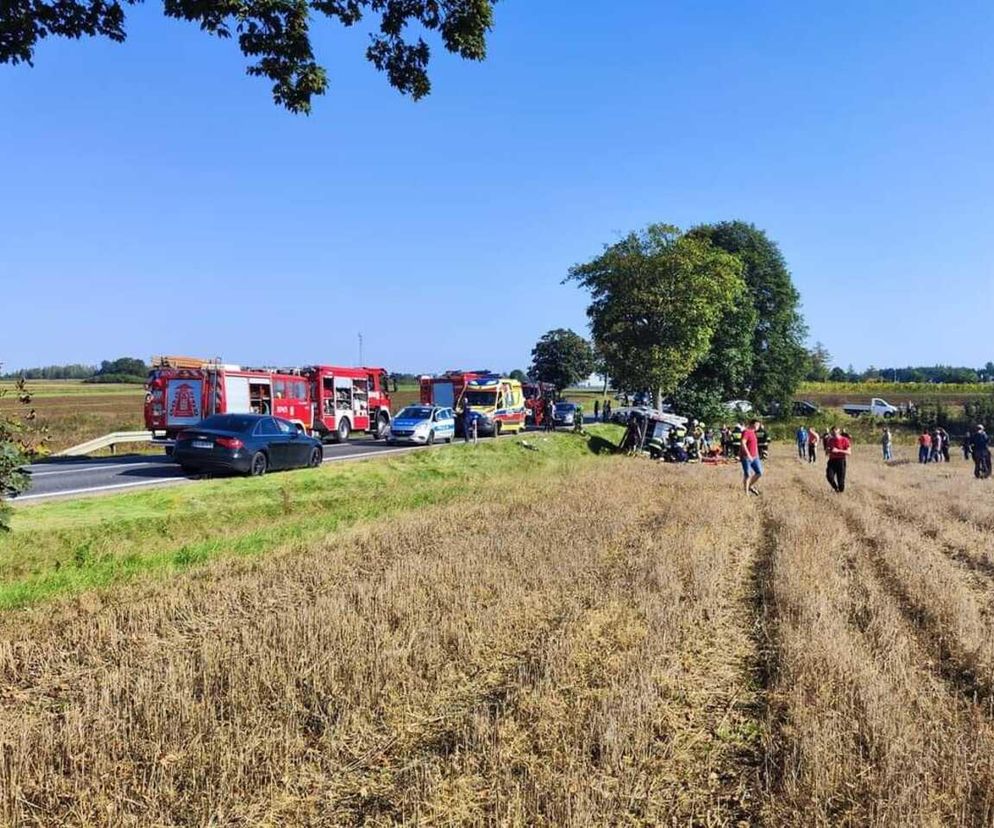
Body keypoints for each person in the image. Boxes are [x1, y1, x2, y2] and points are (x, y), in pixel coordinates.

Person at [825, 425, 852, 493]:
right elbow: (827, 451)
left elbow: (849, 452)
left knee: (841, 481)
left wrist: (838, 450)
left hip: (841, 461)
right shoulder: (830, 440)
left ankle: (840, 492)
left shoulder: (844, 440)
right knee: (829, 476)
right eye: (833, 432)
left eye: (835, 431)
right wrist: (827, 451)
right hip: (832, 460)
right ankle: (835, 488)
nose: (834, 433)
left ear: (838, 431)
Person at [740, 418, 763, 496]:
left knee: (759, 472)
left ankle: (750, 486)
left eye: (759, 425)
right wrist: (748, 455)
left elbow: (754, 445)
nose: (758, 426)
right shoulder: (746, 432)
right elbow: (743, 443)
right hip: (746, 457)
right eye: (757, 425)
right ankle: (746, 493)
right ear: (753, 424)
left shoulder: (753, 433)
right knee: (747, 475)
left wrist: (757, 454)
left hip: (755, 457)